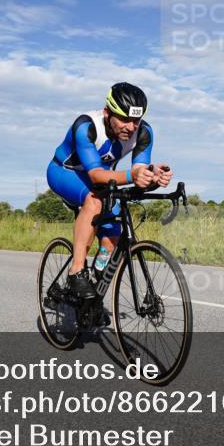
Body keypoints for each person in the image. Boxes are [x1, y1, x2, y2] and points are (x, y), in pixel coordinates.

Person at [46, 82, 173, 298]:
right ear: (107, 113)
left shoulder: (144, 132)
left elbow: (138, 168)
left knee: (113, 235)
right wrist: (132, 177)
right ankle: (76, 271)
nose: (130, 127)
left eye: (136, 120)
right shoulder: (87, 126)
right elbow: (95, 174)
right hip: (65, 172)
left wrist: (153, 175)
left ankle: (92, 296)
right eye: (124, 119)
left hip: (104, 179)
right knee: (94, 201)